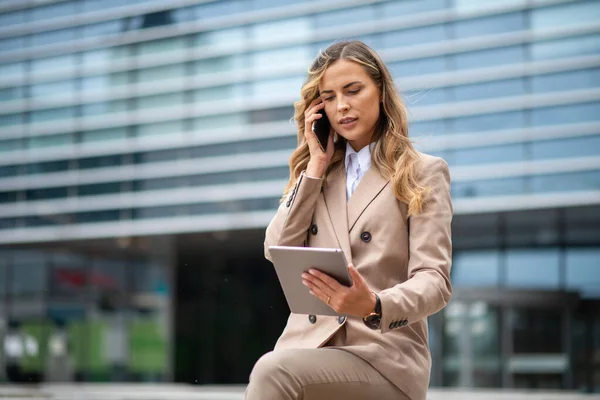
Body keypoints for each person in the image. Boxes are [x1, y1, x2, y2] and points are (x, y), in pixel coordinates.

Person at [246, 40, 453, 400]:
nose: (341, 106)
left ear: (381, 92)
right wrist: (314, 168)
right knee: (273, 370)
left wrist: (374, 304)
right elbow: (275, 248)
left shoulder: (423, 171)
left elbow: (434, 281)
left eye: (353, 90)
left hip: (383, 354)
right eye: (328, 97)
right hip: (309, 347)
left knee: (272, 371)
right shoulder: (317, 174)